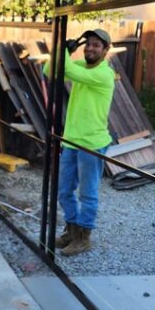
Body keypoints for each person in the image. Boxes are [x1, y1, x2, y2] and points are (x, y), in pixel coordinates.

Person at [44, 28, 115, 256]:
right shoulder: (82, 67)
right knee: (64, 191)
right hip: (71, 141)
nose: (90, 48)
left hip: (92, 144)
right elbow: (49, 70)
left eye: (96, 45)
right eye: (88, 44)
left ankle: (83, 237)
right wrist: (60, 50)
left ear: (105, 50)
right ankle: (72, 230)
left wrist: (65, 51)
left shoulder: (105, 74)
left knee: (88, 193)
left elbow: (65, 68)